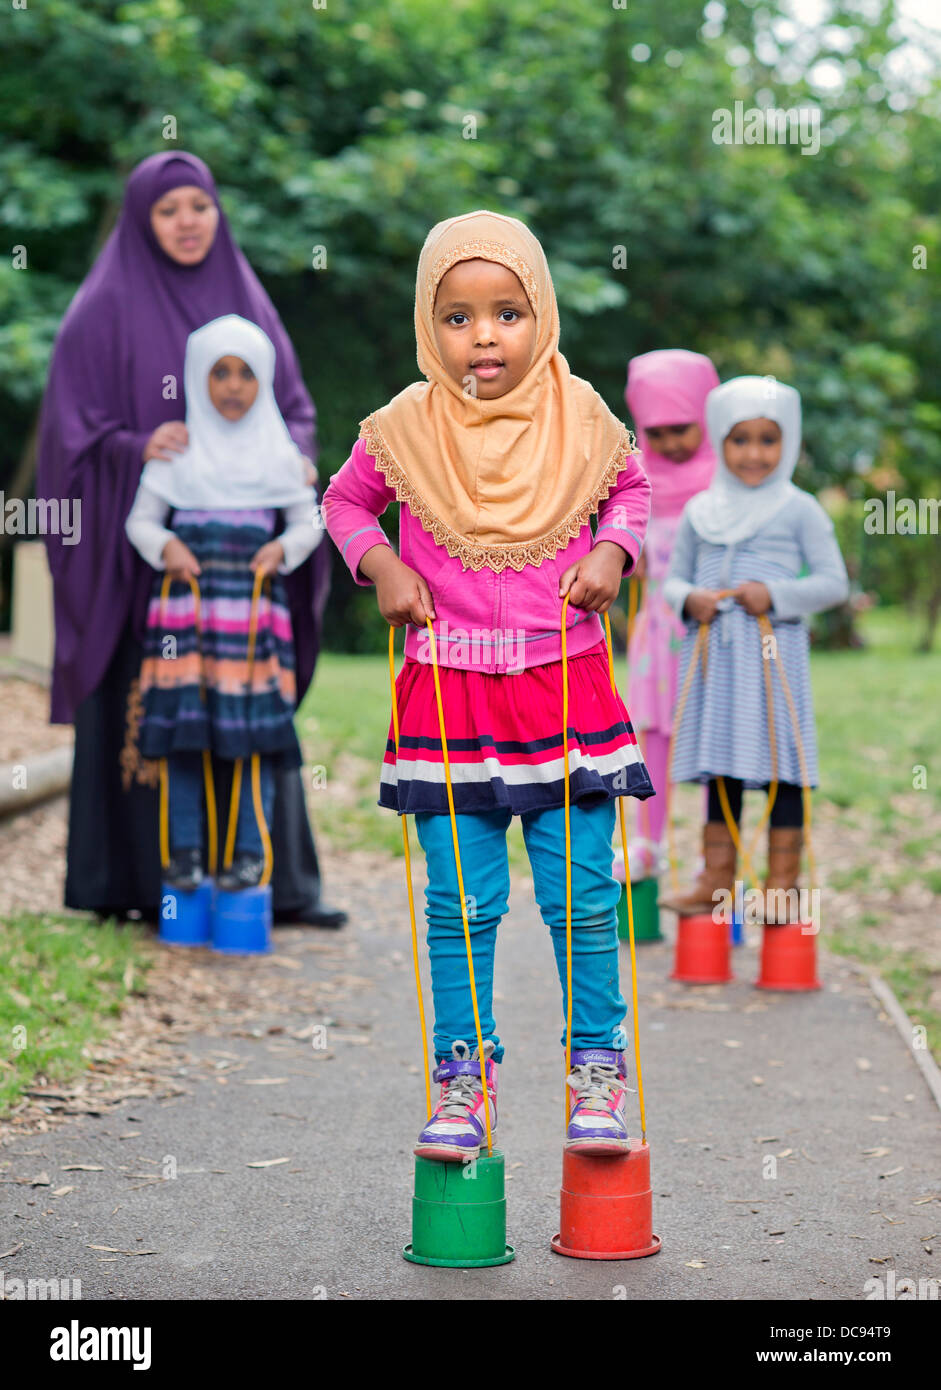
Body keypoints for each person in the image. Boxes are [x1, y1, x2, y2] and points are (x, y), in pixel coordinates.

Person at [323, 210, 653, 1160]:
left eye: (507, 312)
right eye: (459, 318)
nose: (484, 337)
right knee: (459, 905)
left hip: (565, 690)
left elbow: (628, 489)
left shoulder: (580, 414)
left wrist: (613, 549)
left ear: (538, 313)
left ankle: (597, 1070)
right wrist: (381, 565)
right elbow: (345, 500)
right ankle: (462, 1080)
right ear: (432, 329)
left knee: (585, 897)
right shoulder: (405, 426)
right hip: (448, 693)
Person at [35, 151, 345, 927]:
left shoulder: (245, 297)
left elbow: (293, 406)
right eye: (168, 209)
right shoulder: (101, 307)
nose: (186, 223)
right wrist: (134, 447)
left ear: (218, 213)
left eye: (198, 207)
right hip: (144, 561)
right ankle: (138, 884)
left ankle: (271, 883)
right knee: (157, 718)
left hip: (238, 573)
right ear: (142, 218)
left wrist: (291, 464)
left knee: (243, 712)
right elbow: (67, 436)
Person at [125, 315, 320, 889]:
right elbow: (140, 522)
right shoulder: (176, 455)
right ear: (196, 379)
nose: (233, 386)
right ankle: (184, 854)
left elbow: (310, 520)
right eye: (219, 373)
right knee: (188, 736)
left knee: (252, 738)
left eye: (246, 374)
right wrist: (168, 546)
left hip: (252, 619)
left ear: (264, 381)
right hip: (187, 620)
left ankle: (249, 854)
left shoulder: (282, 457)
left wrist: (282, 550)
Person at [660, 376, 849, 920]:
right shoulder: (702, 509)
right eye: (740, 439)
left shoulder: (799, 508)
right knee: (720, 764)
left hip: (773, 658)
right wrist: (689, 598)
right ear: (719, 440)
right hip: (715, 658)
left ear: (787, 443)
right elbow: (674, 580)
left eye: (769, 439)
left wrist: (777, 595)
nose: (754, 453)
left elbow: (834, 583)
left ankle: (783, 887)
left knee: (780, 768)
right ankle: (716, 881)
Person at [622, 349, 719, 879]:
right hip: (661, 634)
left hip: (716, 635)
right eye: (655, 432)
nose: (669, 443)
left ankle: (715, 853)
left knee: (713, 739)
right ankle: (647, 844)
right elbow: (627, 545)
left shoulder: (730, 478)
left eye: (681, 428)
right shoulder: (639, 477)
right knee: (652, 736)